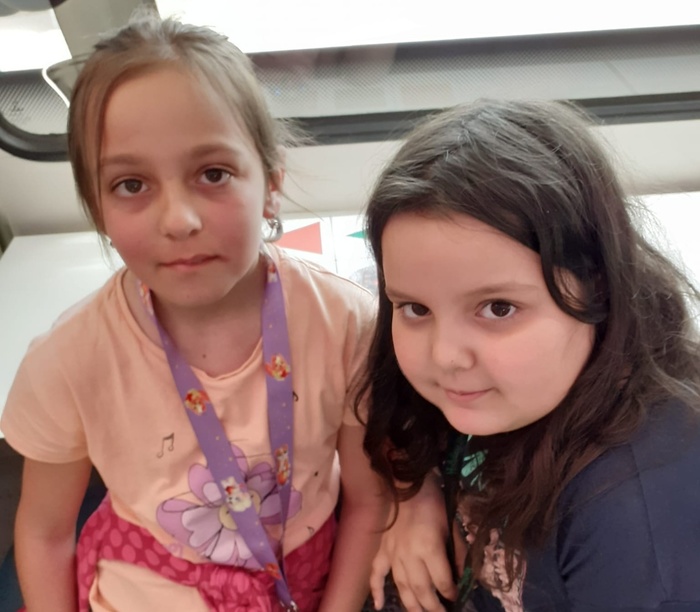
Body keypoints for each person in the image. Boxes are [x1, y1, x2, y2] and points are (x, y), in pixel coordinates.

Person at [1, 12, 387, 612]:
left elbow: (369, 502)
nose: (179, 220)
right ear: (98, 208)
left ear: (271, 183)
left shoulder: (346, 323)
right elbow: (46, 534)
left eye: (213, 174)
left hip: (304, 572)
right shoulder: (69, 361)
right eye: (131, 185)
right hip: (151, 582)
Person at [356, 99, 700, 611]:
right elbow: (400, 420)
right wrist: (415, 498)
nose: (445, 355)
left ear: (597, 288)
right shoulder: (512, 390)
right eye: (415, 308)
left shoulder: (633, 505)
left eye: (498, 308)